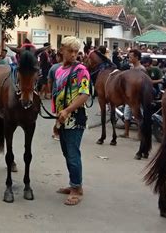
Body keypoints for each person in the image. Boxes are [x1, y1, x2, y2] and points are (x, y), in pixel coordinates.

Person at [52, 36, 90, 206]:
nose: (74, 54)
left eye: (76, 51)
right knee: (67, 153)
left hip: (75, 118)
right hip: (62, 118)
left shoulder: (81, 70)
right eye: (70, 51)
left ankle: (76, 189)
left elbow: (85, 94)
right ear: (62, 50)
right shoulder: (58, 70)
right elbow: (57, 95)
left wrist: (67, 110)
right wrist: (57, 120)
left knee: (73, 154)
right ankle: (74, 183)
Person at [120, 49, 145, 138]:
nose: (129, 59)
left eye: (131, 57)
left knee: (138, 115)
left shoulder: (141, 69)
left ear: (137, 58)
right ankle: (126, 133)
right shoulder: (131, 68)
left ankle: (140, 134)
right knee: (127, 114)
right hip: (129, 96)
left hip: (137, 96)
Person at [48, 51, 63, 141]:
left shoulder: (54, 67)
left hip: (56, 93)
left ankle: (57, 132)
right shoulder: (72, 66)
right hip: (69, 94)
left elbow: (49, 81)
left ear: (58, 57)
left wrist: (50, 92)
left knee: (58, 113)